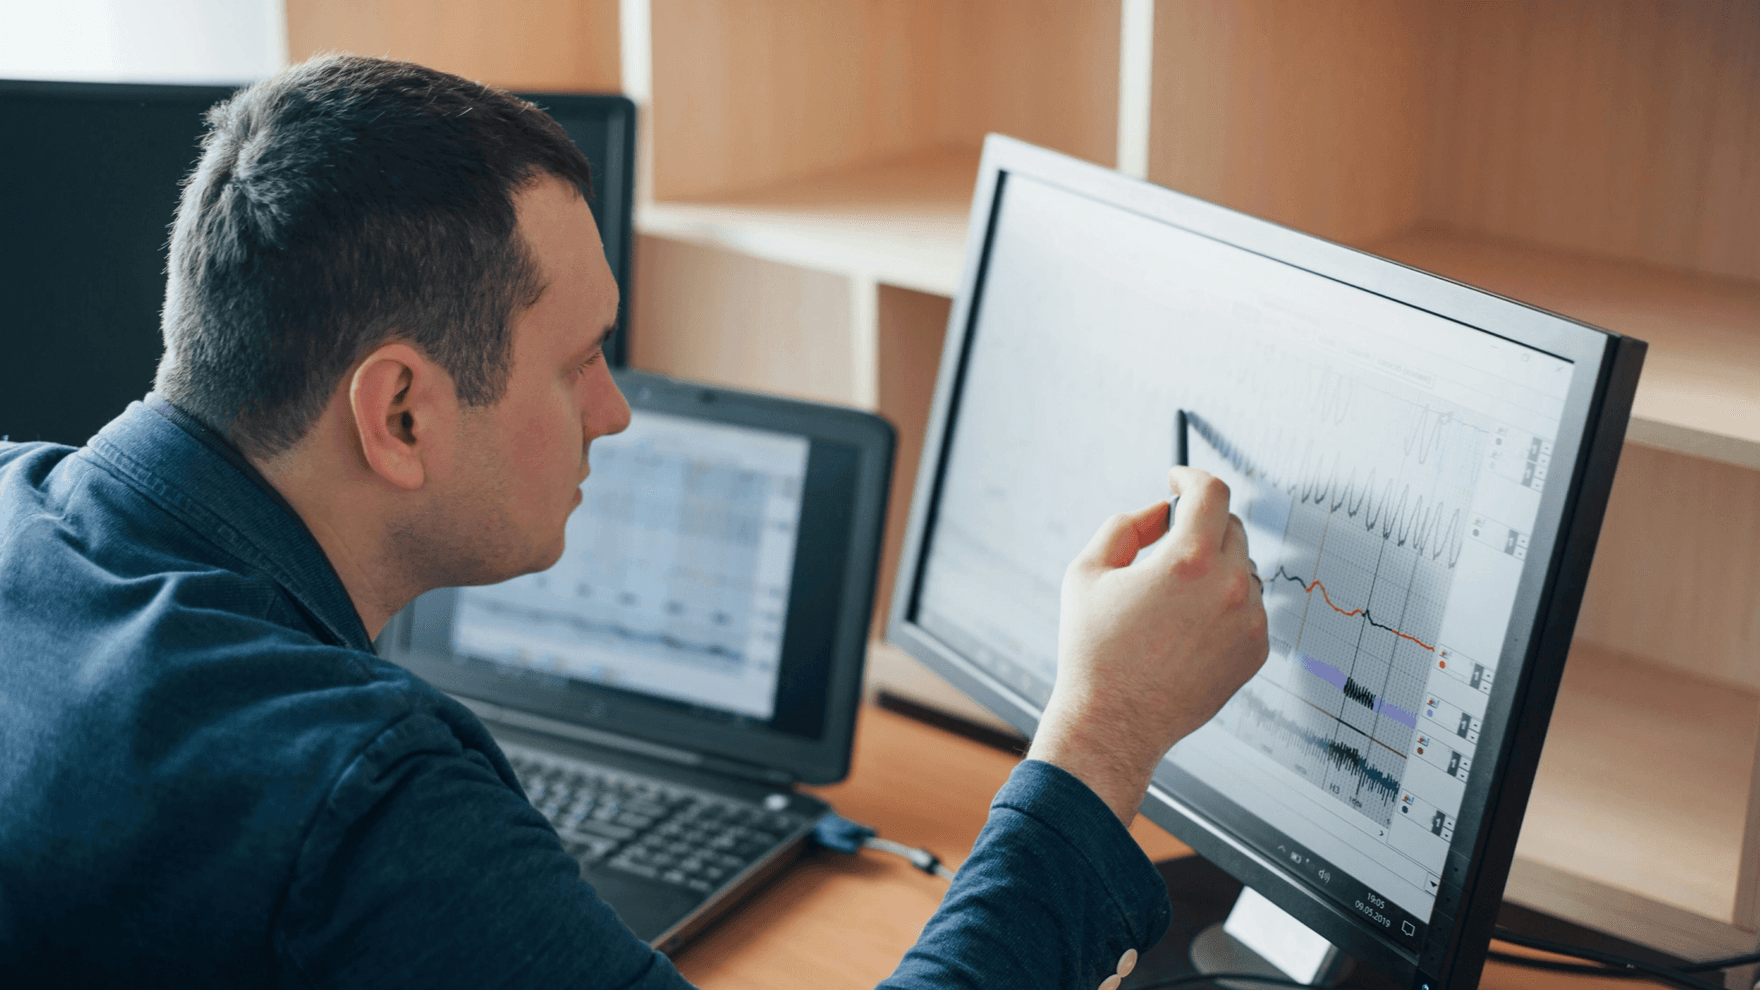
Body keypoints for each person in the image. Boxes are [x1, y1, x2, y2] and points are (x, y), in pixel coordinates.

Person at [0, 55, 1268, 987]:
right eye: (581, 360)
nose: (614, 412)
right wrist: (1103, 733)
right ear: (398, 412)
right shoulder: (365, 793)